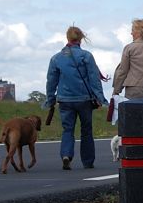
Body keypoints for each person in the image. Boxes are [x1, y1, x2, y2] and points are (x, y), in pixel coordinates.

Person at [45, 26, 107, 170]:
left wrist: (50, 99)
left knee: (67, 129)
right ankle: (88, 160)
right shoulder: (86, 56)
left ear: (67, 38)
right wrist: (100, 98)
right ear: (80, 39)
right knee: (86, 130)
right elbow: (94, 78)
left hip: (65, 100)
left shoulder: (56, 58)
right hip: (84, 99)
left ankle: (66, 155)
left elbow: (51, 81)